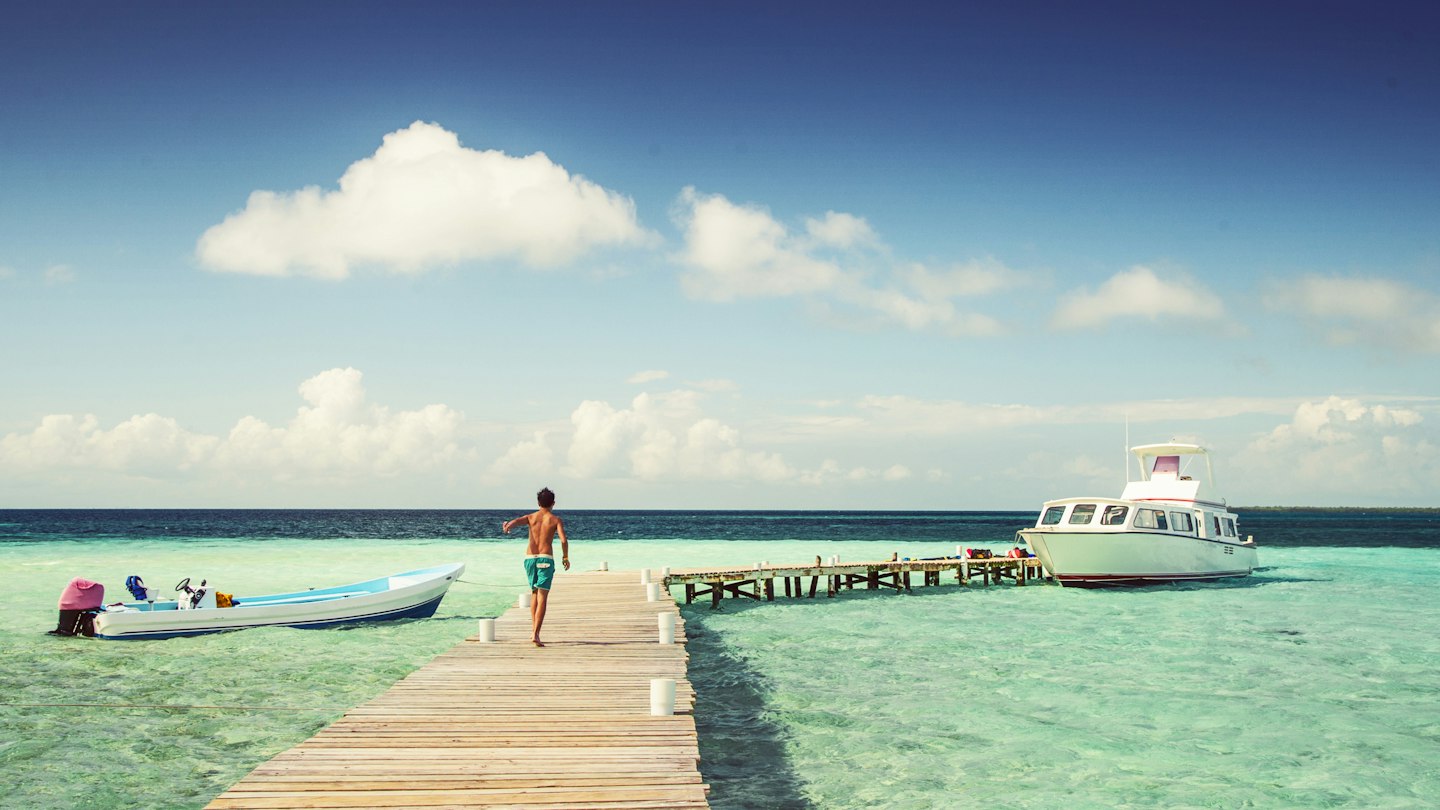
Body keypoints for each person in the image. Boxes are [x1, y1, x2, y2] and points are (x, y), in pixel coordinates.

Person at [502, 487, 569, 646]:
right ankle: (536, 634)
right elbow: (563, 540)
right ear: (553, 503)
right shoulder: (555, 520)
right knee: (542, 596)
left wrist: (507, 527)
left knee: (534, 593)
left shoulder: (531, 517)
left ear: (538, 502)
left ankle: (533, 630)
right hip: (546, 559)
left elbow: (515, 523)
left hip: (530, 559)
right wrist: (565, 557)